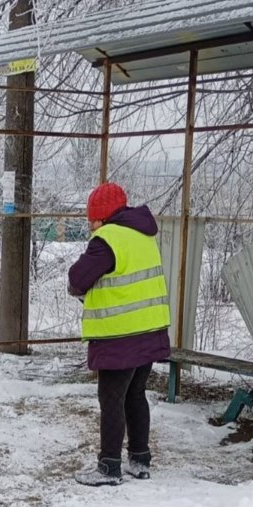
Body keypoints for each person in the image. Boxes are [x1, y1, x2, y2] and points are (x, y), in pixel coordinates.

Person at [68, 181, 171, 486]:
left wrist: (79, 289)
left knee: (111, 398)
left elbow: (77, 277)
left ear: (102, 216)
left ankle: (109, 466)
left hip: (119, 335)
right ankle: (139, 460)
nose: (90, 226)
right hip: (149, 330)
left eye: (92, 219)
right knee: (135, 395)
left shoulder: (107, 239)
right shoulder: (143, 235)